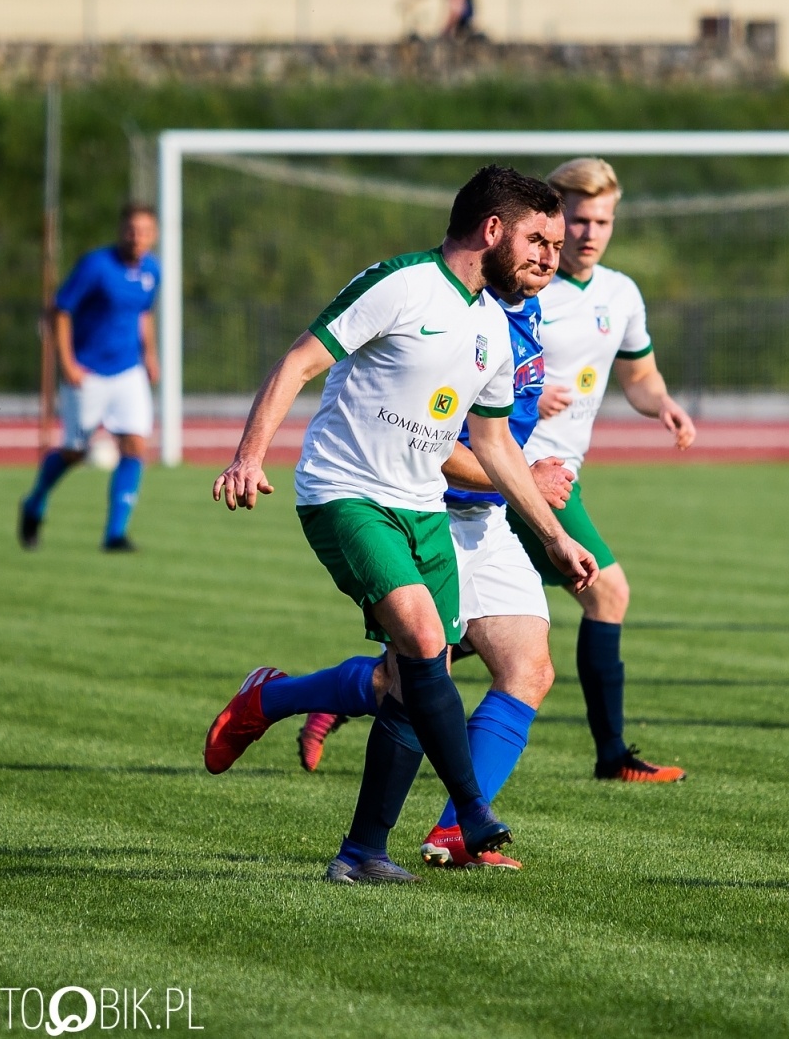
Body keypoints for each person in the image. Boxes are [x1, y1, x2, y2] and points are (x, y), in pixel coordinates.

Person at [204, 166, 597, 885]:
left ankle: (362, 852)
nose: (551, 256)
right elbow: (299, 362)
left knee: (419, 679)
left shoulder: (493, 327)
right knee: (420, 640)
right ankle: (471, 813)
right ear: (493, 230)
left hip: (423, 508)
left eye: (555, 243)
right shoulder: (401, 284)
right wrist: (248, 456)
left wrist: (554, 535)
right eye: (539, 241)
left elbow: (494, 446)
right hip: (346, 493)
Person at [521, 156, 697, 783]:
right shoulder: (523, 285)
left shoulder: (620, 293)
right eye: (578, 219)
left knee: (478, 626)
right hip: (521, 471)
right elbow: (472, 364)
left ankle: (343, 694)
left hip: (565, 471)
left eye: (603, 221)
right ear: (554, 218)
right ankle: (612, 756)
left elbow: (639, 375)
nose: (590, 233)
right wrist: (524, 391)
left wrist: (663, 403)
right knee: (608, 590)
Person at [19, 204, 160, 552]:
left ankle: (115, 535)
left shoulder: (152, 270)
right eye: (131, 230)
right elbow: (61, 310)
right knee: (75, 452)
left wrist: (150, 355)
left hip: (128, 371)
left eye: (144, 231)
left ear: (154, 235)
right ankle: (34, 503)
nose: (137, 237)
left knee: (135, 445)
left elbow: (143, 313)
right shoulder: (96, 266)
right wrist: (67, 363)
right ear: (121, 230)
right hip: (88, 372)